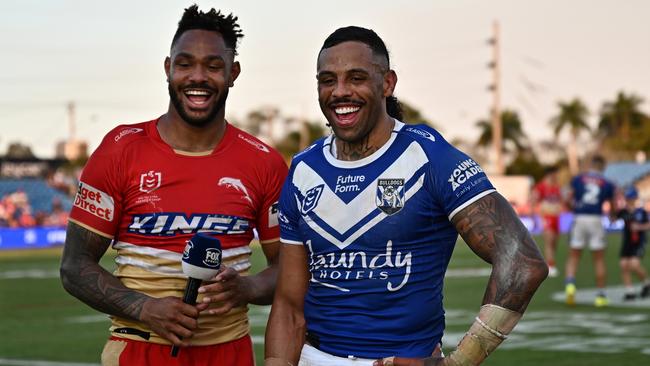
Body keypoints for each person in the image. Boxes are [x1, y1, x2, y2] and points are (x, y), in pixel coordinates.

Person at [264, 26, 548, 366]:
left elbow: (522, 261)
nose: (340, 92)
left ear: (387, 83)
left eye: (356, 78)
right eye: (327, 80)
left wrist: (460, 362)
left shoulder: (429, 157)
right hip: (313, 357)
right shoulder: (303, 168)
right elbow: (288, 306)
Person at [59, 5, 288, 366]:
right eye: (185, 64)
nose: (198, 77)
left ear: (233, 73)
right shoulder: (121, 149)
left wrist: (248, 287)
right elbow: (74, 266)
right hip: (138, 351)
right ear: (168, 68)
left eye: (213, 66)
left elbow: (289, 268)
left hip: (229, 353)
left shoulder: (265, 162)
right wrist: (144, 307)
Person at [564, 155, 616, 307]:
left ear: (591, 165)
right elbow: (612, 204)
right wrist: (613, 215)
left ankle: (570, 286)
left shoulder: (579, 178)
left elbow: (568, 197)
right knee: (599, 259)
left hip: (579, 218)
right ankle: (600, 296)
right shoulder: (607, 183)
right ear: (603, 167)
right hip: (596, 219)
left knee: (574, 256)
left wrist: (573, 208)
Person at [616, 186, 650, 300]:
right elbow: (613, 216)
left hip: (639, 241)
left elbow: (648, 225)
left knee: (634, 264)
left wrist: (639, 227)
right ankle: (629, 291)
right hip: (627, 241)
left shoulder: (641, 212)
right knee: (623, 265)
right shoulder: (623, 212)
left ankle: (647, 283)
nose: (630, 200)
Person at [531, 166, 563, 277]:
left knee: (554, 242)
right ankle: (551, 265)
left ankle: (550, 262)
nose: (556, 176)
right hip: (546, 217)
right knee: (549, 241)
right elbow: (534, 201)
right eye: (554, 174)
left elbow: (560, 201)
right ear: (549, 174)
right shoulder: (541, 187)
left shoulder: (556, 187)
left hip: (556, 218)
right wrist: (538, 217)